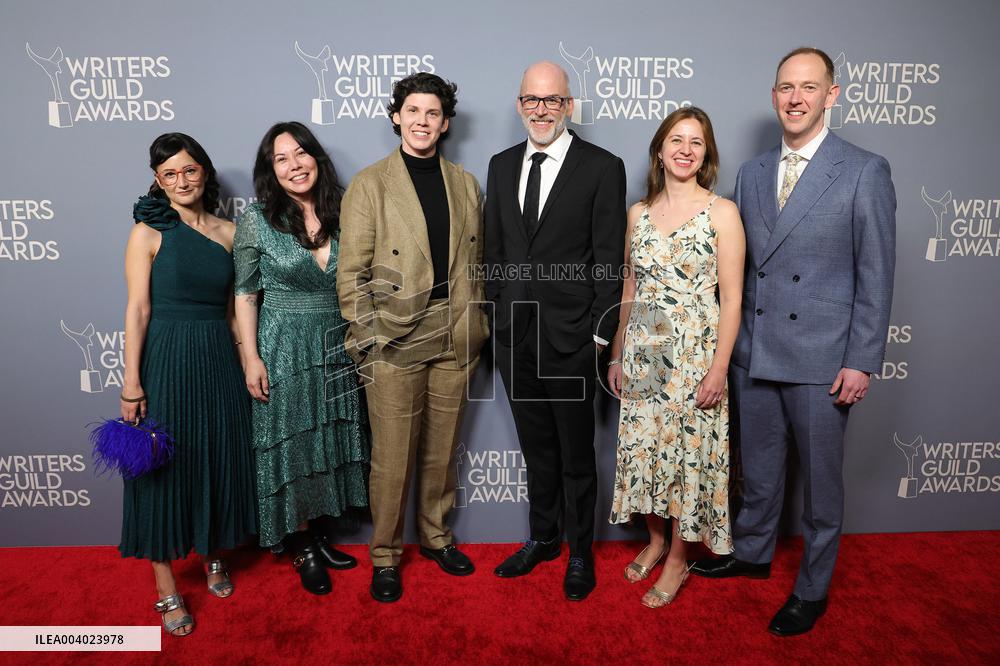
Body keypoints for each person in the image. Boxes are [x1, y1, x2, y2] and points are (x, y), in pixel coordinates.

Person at [692, 47, 896, 636]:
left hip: (822, 358)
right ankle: (752, 555)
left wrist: (861, 360)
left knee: (820, 487)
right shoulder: (753, 172)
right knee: (758, 471)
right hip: (756, 351)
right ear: (774, 95)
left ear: (831, 96)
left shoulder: (864, 169)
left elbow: (877, 274)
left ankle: (812, 588)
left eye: (809, 87)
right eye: (785, 87)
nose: (795, 98)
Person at [337, 72, 489, 603]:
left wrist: (475, 322)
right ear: (396, 116)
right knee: (393, 455)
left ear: (445, 123)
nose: (422, 121)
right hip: (396, 337)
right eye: (413, 111)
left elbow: (477, 263)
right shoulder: (370, 183)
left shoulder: (466, 183)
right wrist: (370, 337)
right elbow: (351, 273)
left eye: (432, 113)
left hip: (456, 329)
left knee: (442, 450)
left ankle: (437, 537)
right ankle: (385, 555)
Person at [485, 61, 626, 601]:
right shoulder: (500, 166)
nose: (540, 110)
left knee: (575, 455)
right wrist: (497, 315)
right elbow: (494, 251)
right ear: (520, 104)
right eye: (530, 100)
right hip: (514, 338)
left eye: (551, 100)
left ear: (568, 106)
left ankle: (580, 552)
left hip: (571, 342)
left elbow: (608, 261)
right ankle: (542, 537)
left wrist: (596, 336)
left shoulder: (601, 167)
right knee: (535, 449)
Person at [120, 133, 257, 636]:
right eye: (168, 174)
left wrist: (247, 362)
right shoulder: (148, 231)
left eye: (189, 170)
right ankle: (166, 588)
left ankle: (214, 553)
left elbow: (233, 309)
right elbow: (138, 309)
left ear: (205, 172)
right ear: (157, 180)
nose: (180, 181)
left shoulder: (228, 231)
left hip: (218, 357)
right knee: (160, 470)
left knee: (215, 458)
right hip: (168, 358)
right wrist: (132, 381)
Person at [607, 107, 745, 608]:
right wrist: (618, 353)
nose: (685, 150)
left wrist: (718, 369)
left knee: (689, 459)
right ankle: (657, 538)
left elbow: (731, 298)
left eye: (696, 142)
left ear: (706, 155)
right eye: (676, 140)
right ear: (659, 150)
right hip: (646, 354)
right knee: (646, 452)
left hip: (696, 357)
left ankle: (678, 558)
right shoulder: (637, 213)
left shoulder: (722, 212)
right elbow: (630, 286)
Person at [234, 122, 369, 596]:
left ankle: (320, 534)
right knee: (290, 442)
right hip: (283, 343)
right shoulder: (258, 219)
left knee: (326, 436)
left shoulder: (347, 208)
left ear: (316, 156)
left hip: (337, 341)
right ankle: (301, 546)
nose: (294, 165)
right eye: (281, 159)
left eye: (301, 153)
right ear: (270, 171)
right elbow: (247, 293)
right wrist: (251, 356)